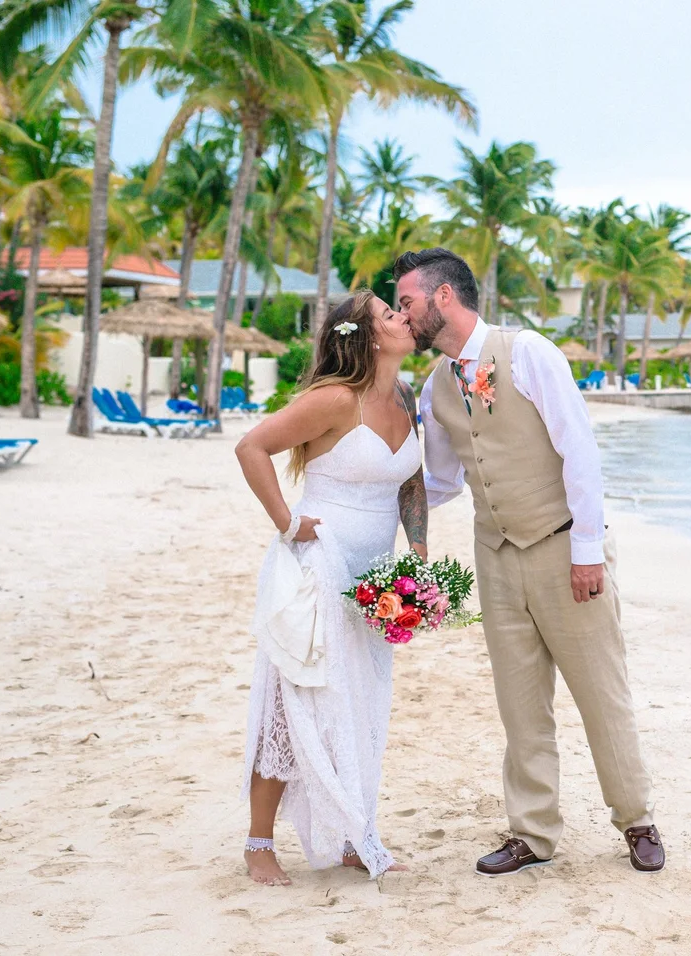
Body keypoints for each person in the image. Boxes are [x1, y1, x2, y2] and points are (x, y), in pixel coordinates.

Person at [396, 248, 664, 875]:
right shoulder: (437, 383)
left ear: (442, 298)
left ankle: (637, 820)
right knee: (519, 703)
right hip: (495, 553)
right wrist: (385, 515)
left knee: (602, 691)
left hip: (564, 546)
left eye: (406, 301)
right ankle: (533, 834)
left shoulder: (530, 352)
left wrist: (587, 550)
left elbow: (581, 452)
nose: (401, 315)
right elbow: (441, 480)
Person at [234, 290, 426, 885]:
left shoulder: (404, 394)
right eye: (388, 314)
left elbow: (410, 483)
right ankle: (258, 842)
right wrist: (288, 522)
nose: (402, 316)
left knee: (360, 703)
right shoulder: (335, 400)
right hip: (319, 569)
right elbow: (253, 446)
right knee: (294, 704)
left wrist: (417, 554)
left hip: (376, 578)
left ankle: (351, 831)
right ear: (367, 337)